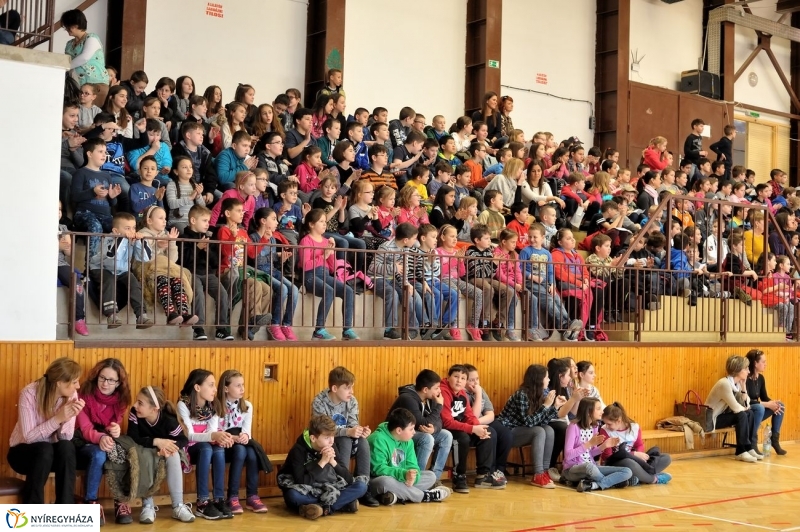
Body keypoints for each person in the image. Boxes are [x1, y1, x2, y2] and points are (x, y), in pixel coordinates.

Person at [8, 358, 83, 504]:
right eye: (74, 382)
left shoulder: (71, 395)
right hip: (22, 454)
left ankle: (65, 509)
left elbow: (65, 437)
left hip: (51, 456)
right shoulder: (29, 393)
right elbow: (29, 438)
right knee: (44, 448)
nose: (78, 386)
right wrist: (57, 418)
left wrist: (67, 418)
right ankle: (33, 510)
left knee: (67, 447)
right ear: (59, 382)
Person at [311, 367, 379, 507]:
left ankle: (363, 487)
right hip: (327, 442)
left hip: (346, 438)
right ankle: (343, 485)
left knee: (363, 442)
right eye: (347, 388)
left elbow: (353, 423)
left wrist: (360, 431)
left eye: (352, 387)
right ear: (335, 388)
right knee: (345, 440)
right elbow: (321, 430)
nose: (351, 392)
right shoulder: (319, 401)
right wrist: (348, 432)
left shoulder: (352, 401)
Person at [277, 415, 368, 520]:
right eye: (326, 437)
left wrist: (333, 462)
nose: (331, 441)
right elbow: (301, 481)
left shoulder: (330, 445)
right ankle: (341, 504)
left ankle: (324, 508)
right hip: (307, 488)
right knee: (293, 496)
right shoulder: (298, 450)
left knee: (361, 486)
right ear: (313, 438)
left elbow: (348, 479)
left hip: (328, 486)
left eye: (332, 436)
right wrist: (322, 462)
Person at [75, 358, 131, 525]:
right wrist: (102, 437)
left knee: (124, 451)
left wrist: (115, 430)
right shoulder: (82, 396)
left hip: (105, 440)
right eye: (102, 378)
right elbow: (85, 428)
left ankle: (121, 501)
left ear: (119, 383)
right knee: (99, 454)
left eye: (111, 380)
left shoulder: (121, 400)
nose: (105, 383)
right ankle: (90, 502)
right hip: (82, 442)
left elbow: (114, 425)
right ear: (96, 376)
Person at [127, 385, 195, 522]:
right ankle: (147, 506)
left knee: (174, 455)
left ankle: (178, 506)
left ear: (154, 409)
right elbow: (133, 437)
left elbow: (183, 439)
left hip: (165, 450)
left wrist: (169, 447)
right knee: (145, 457)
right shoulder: (134, 413)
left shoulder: (169, 420)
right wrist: (156, 441)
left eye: (140, 403)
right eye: (136, 401)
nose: (135, 405)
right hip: (144, 448)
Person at [177, 369, 236, 519]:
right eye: (210, 385)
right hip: (190, 447)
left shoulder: (213, 405)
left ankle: (218, 499)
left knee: (218, 449)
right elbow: (189, 435)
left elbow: (212, 431)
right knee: (206, 448)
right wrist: (213, 435)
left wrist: (222, 438)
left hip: (206, 445)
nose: (215, 389)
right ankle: (202, 502)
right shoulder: (183, 405)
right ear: (197, 387)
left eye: (215, 385)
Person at [440, 365, 507, 493]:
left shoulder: (463, 394)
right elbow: (447, 422)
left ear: (465, 382)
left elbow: (469, 416)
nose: (459, 380)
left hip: (460, 427)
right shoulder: (444, 391)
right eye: (456, 377)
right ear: (448, 377)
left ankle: (483, 476)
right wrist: (472, 429)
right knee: (463, 438)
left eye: (463, 378)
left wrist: (477, 427)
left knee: (489, 432)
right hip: (446, 430)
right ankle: (459, 476)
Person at [497, 364, 564, 488]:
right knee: (538, 431)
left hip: (523, 430)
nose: (549, 380)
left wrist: (555, 407)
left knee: (548, 429)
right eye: (547, 377)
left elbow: (543, 421)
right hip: (508, 432)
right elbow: (529, 422)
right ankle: (538, 474)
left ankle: (544, 471)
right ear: (539, 379)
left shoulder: (541, 393)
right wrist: (546, 406)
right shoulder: (521, 395)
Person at [367, 408, 451, 505]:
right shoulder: (377, 439)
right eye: (411, 429)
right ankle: (424, 496)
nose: (414, 432)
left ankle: (395, 495)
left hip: (401, 480)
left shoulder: (408, 441)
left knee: (431, 476)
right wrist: (404, 474)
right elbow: (378, 469)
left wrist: (413, 477)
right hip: (376, 480)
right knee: (385, 482)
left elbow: (413, 466)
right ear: (399, 430)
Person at [132, 206, 198, 326]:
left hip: (166, 269)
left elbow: (172, 260)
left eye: (165, 218)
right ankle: (170, 313)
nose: (164, 221)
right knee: (163, 279)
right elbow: (146, 258)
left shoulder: (165, 234)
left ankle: (183, 312)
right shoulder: (142, 234)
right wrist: (158, 246)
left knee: (177, 279)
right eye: (161, 218)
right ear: (149, 221)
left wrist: (172, 242)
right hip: (149, 270)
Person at [299, 210, 359, 340]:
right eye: (321, 221)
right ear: (311, 224)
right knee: (329, 291)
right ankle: (319, 330)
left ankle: (347, 330)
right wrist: (323, 256)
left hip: (325, 275)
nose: (324, 224)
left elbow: (332, 268)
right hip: (310, 276)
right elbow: (305, 265)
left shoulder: (326, 241)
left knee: (348, 291)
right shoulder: (306, 241)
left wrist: (331, 251)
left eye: (325, 221)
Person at [87, 212, 153, 329]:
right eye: (127, 228)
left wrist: (139, 242)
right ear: (116, 231)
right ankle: (112, 315)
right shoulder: (108, 239)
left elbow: (145, 258)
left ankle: (141, 316)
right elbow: (112, 257)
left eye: (133, 228)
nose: (132, 231)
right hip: (101, 267)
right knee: (109, 280)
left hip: (122, 270)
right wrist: (122, 239)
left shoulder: (131, 240)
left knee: (133, 283)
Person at [216, 370, 269, 513]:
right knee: (241, 450)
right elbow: (216, 432)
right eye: (238, 385)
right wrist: (236, 438)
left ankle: (252, 496)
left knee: (251, 452)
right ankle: (232, 496)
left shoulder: (247, 406)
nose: (242, 389)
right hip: (222, 445)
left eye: (243, 385)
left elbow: (246, 431)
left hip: (240, 444)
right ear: (226, 388)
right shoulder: (216, 405)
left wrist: (244, 436)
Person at [519, 223, 583, 341]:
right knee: (548, 300)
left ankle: (568, 324)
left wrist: (552, 284)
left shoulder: (547, 253)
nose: (532, 239)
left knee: (556, 298)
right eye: (530, 237)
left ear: (543, 237)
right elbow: (520, 269)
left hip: (545, 283)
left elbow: (550, 271)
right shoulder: (525, 251)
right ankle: (564, 325)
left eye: (535, 237)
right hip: (531, 283)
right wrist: (531, 276)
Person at [388, 369, 453, 482]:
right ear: (425, 389)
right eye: (436, 388)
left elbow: (438, 421)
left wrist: (434, 429)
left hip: (416, 432)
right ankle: (416, 479)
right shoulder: (407, 399)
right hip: (399, 434)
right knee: (426, 438)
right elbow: (421, 423)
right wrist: (439, 407)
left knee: (446, 435)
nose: (439, 390)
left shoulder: (431, 398)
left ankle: (434, 480)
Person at [180, 205, 233, 341]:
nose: (207, 224)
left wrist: (207, 250)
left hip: (208, 273)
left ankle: (221, 329)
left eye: (208, 221)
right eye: (204, 221)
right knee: (197, 292)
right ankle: (198, 329)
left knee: (222, 293)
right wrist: (197, 248)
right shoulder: (183, 237)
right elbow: (182, 261)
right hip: (191, 273)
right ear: (193, 220)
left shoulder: (208, 237)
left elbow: (216, 262)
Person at [561, 397, 634, 492]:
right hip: (572, 469)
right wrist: (589, 443)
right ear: (588, 412)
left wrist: (604, 446)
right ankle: (614, 483)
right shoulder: (573, 427)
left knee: (627, 471)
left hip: (592, 467)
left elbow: (590, 454)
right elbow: (568, 455)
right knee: (589, 467)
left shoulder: (594, 427)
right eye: (598, 409)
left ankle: (594, 485)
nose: (602, 412)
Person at [250, 208, 299, 341]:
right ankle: (275, 324)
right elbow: (257, 260)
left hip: (272, 270)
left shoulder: (272, 239)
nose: (277, 222)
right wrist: (275, 256)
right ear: (263, 221)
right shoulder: (254, 237)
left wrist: (280, 259)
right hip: (260, 272)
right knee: (282, 289)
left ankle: (287, 325)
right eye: (273, 219)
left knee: (294, 289)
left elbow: (273, 263)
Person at [705, 355, 761, 463]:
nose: (748, 371)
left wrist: (744, 387)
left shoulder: (737, 384)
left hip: (721, 416)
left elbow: (746, 405)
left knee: (749, 413)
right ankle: (740, 451)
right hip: (711, 419)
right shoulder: (724, 384)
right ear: (738, 370)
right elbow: (736, 408)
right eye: (746, 369)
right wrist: (745, 408)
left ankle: (747, 447)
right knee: (742, 414)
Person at [599, 403, 672, 484]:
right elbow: (608, 457)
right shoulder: (604, 430)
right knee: (629, 462)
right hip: (616, 463)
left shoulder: (634, 427)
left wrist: (640, 457)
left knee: (666, 458)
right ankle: (654, 479)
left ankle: (638, 477)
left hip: (635, 460)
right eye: (605, 423)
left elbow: (639, 445)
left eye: (609, 424)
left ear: (619, 421)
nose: (607, 426)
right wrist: (634, 454)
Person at [463, 364, 512, 477]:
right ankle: (489, 470)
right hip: (471, 423)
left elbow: (490, 414)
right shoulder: (464, 394)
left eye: (477, 379)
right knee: (490, 432)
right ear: (464, 380)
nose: (475, 383)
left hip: (482, 420)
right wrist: (478, 394)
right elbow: (473, 417)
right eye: (471, 380)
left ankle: (500, 469)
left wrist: (479, 423)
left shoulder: (480, 389)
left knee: (506, 434)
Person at [61, 9, 110, 105]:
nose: (66, 29)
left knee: (92, 115)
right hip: (77, 85)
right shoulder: (69, 44)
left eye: (68, 26)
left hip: (95, 84)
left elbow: (84, 57)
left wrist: (66, 67)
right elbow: (65, 60)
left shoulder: (92, 38)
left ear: (76, 25)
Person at [745, 349, 787, 455]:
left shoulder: (761, 378)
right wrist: (768, 404)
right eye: (763, 362)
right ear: (755, 363)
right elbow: (747, 402)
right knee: (760, 408)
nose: (766, 364)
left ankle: (774, 440)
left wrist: (773, 403)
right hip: (747, 412)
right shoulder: (745, 378)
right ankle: (752, 443)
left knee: (780, 405)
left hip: (758, 412)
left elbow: (764, 398)